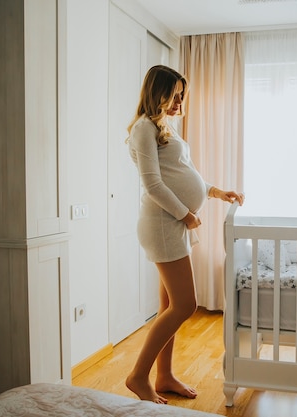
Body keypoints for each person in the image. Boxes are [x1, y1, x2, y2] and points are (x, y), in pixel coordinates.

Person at [124, 65, 244, 404]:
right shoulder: (144, 128)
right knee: (185, 305)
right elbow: (152, 183)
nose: (180, 101)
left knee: (168, 304)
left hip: (172, 224)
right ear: (157, 93)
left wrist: (219, 193)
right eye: (175, 95)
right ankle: (138, 376)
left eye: (182, 95)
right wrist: (187, 214)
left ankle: (164, 376)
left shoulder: (165, 128)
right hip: (163, 225)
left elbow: (185, 175)